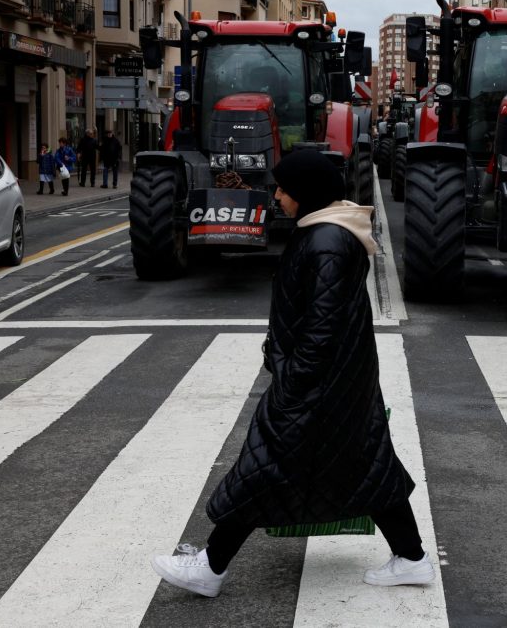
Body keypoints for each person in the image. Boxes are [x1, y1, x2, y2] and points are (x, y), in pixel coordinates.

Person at [151, 149, 434, 598]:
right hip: (339, 382)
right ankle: (413, 558)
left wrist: (292, 379)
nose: (277, 195)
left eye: (284, 188)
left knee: (264, 466)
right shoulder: (325, 234)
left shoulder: (327, 242)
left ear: (306, 194)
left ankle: (210, 567)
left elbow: (321, 327)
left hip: (317, 384)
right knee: (366, 465)